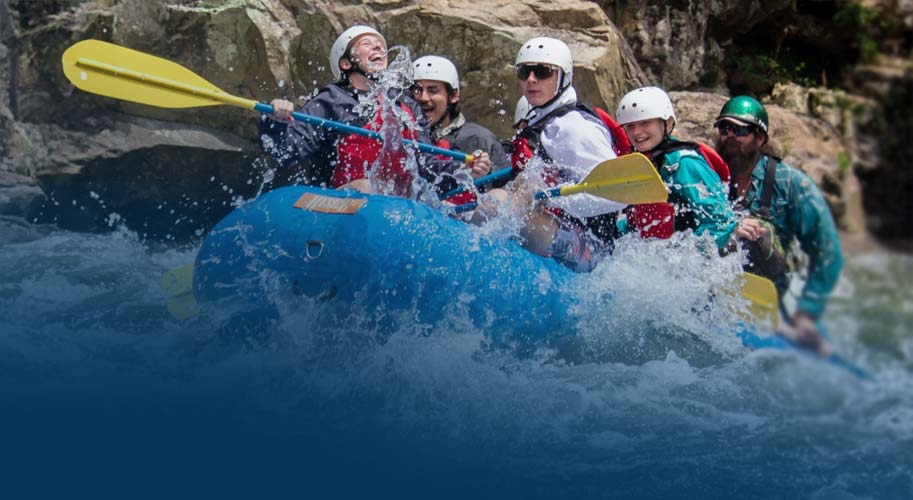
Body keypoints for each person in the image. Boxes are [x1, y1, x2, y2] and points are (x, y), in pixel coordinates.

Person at [259, 25, 490, 196]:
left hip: (395, 203)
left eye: (380, 44)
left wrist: (462, 169)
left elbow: (425, 162)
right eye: (367, 44)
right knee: (366, 187)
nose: (379, 47)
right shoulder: (329, 101)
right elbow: (287, 152)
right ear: (346, 63)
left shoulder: (405, 105)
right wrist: (277, 121)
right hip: (341, 201)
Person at [476, 37, 625, 272]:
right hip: (562, 232)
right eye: (524, 72)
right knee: (499, 197)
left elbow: (617, 193)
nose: (531, 80)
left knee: (498, 203)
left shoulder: (574, 126)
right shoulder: (543, 122)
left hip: (593, 249)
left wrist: (550, 198)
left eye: (543, 72)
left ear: (563, 76)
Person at [714, 95, 843, 352]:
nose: (729, 137)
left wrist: (806, 315)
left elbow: (828, 253)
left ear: (760, 139)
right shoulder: (708, 176)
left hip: (773, 295)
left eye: (740, 131)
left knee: (759, 234)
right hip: (720, 293)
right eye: (725, 129)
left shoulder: (793, 184)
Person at [614, 86, 739, 250]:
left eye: (645, 123)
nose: (637, 132)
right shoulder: (641, 163)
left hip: (689, 262)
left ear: (667, 123)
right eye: (630, 126)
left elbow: (721, 222)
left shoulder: (685, 163)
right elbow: (639, 221)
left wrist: (684, 259)